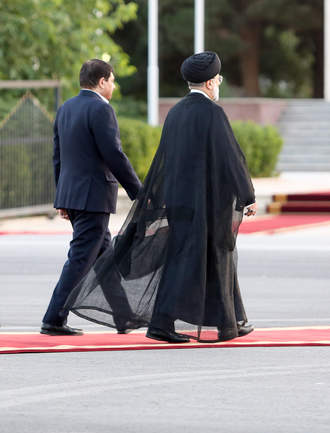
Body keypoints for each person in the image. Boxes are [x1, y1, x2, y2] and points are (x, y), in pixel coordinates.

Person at [65, 51, 257, 343]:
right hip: (207, 203)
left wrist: (157, 197)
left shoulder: (176, 112)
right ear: (209, 83)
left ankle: (228, 321)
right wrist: (247, 195)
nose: (218, 83)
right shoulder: (212, 114)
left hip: (179, 201)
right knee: (213, 258)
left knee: (196, 258)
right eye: (217, 79)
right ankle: (165, 323)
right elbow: (231, 157)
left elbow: (165, 159)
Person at [40, 59, 142, 336]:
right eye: (112, 81)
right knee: (80, 259)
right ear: (102, 81)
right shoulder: (101, 109)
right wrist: (139, 192)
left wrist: (62, 197)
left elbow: (58, 156)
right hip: (93, 196)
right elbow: (114, 155)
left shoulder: (66, 108)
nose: (114, 86)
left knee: (103, 257)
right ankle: (53, 318)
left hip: (74, 195)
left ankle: (124, 316)